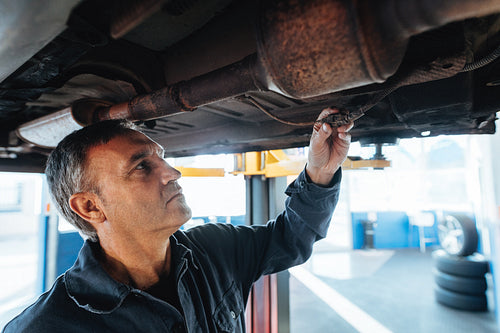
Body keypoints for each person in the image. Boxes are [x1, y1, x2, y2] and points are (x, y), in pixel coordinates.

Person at [3, 108, 352, 333]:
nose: (173, 172)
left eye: (163, 159)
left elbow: (290, 238)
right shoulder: (45, 327)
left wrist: (321, 171)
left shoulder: (216, 249)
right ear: (90, 208)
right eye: (142, 166)